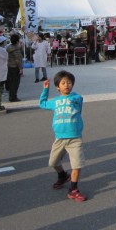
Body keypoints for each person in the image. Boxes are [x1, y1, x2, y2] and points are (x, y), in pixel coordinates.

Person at [39, 70, 87, 202]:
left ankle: (73, 189)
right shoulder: (55, 102)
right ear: (57, 86)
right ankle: (62, 175)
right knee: (53, 162)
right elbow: (42, 104)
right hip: (59, 138)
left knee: (76, 165)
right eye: (63, 83)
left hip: (74, 138)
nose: (67, 85)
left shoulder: (76, 98)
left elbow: (79, 106)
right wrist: (45, 90)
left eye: (69, 82)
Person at [6, 34, 24, 102]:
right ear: (17, 41)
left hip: (10, 66)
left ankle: (11, 96)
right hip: (15, 67)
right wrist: (21, 68)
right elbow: (18, 59)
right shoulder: (16, 49)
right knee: (15, 83)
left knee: (11, 82)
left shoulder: (9, 48)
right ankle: (13, 97)